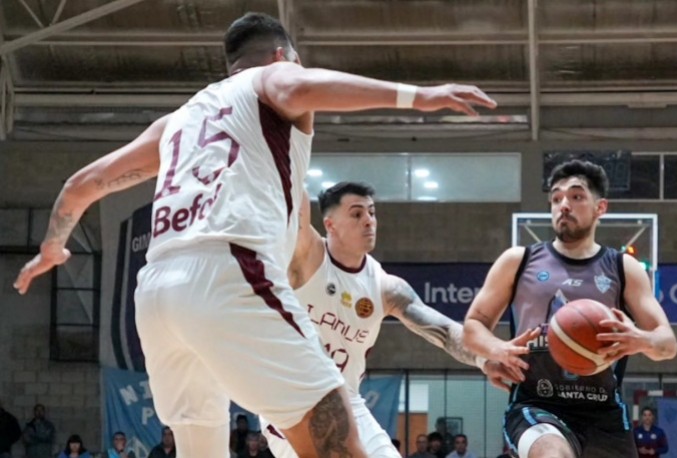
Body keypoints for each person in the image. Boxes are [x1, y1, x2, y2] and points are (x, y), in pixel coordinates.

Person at [13, 11, 496, 458]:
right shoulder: (270, 76)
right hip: (228, 270)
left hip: (157, 292)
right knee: (339, 439)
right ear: (284, 55)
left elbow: (83, 184)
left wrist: (53, 246)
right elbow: (299, 86)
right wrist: (421, 96)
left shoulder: (177, 122)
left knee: (200, 447)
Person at [262, 182, 525, 458]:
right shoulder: (308, 257)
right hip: (290, 397)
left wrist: (485, 358)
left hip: (346, 401)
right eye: (356, 214)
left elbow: (445, 332)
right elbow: (294, 191)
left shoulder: (386, 287)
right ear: (330, 224)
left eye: (372, 213)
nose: (368, 221)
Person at [463, 159, 677, 458]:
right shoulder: (518, 260)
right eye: (556, 198)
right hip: (536, 404)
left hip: (603, 414)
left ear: (600, 207)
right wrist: (497, 349)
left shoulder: (622, 267)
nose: (563, 204)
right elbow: (474, 325)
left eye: (576, 196)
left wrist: (641, 340)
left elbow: (668, 344)